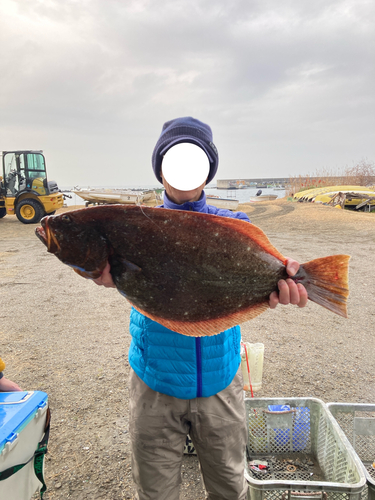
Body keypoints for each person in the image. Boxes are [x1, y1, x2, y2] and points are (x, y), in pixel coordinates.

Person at [93, 117, 308, 500]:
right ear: (160, 170)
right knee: (155, 491)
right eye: (174, 159)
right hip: (154, 380)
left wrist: (287, 278)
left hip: (220, 381)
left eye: (195, 160)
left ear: (208, 171)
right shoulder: (135, 225)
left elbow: (269, 267)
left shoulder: (232, 224)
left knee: (229, 487)